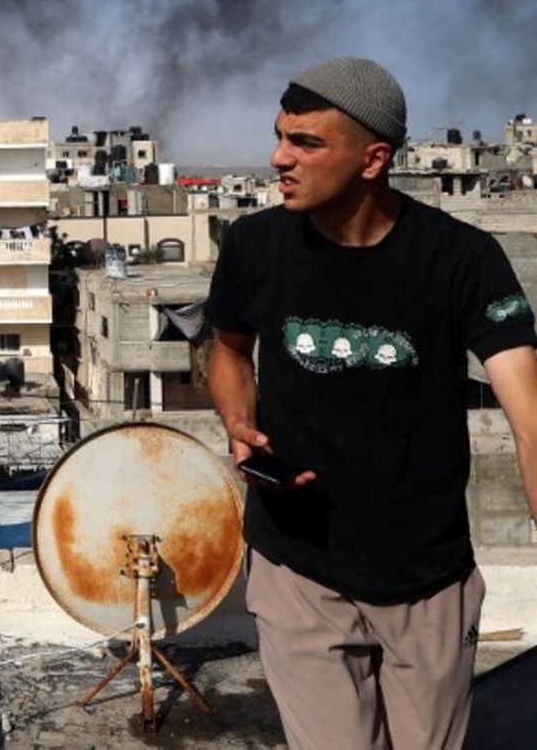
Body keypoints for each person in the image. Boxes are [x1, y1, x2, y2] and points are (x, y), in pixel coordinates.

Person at [205, 57, 537, 749]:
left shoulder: (462, 259)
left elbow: (529, 415)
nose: (277, 158)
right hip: (299, 566)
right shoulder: (252, 245)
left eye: (306, 142)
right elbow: (230, 350)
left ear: (372, 158)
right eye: (279, 136)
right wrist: (239, 419)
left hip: (426, 579)